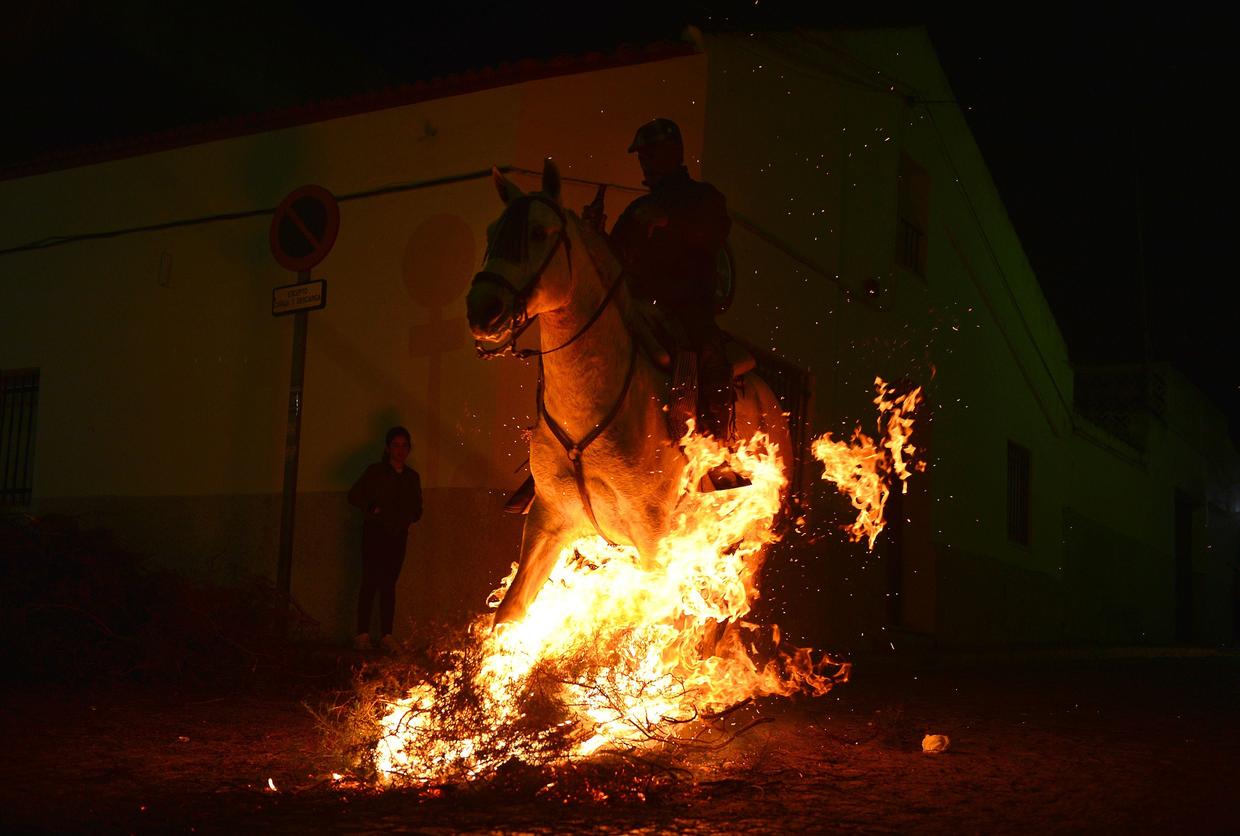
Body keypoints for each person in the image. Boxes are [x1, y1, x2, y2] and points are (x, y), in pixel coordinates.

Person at [602, 118, 746, 487]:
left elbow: (714, 231)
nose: (645, 162)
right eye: (642, 155)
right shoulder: (636, 210)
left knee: (709, 357)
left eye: (652, 153)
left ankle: (717, 452)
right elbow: (614, 258)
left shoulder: (703, 198)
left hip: (686, 310)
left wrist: (669, 220)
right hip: (637, 311)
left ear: (673, 153)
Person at [347, 426, 422, 651]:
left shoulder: (411, 477)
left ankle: (387, 635)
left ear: (408, 449)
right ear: (388, 448)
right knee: (370, 581)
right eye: (396, 445)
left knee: (389, 584)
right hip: (375, 534)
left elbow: (418, 508)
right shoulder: (376, 472)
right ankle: (363, 634)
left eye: (404, 446)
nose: (400, 450)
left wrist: (408, 517)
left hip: (397, 535)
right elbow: (354, 495)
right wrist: (373, 508)